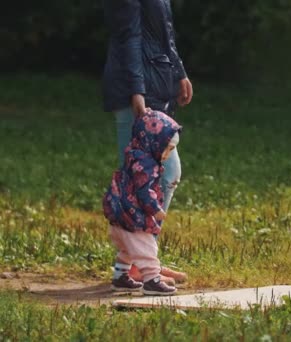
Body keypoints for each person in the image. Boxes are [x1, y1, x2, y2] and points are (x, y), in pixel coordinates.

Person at [102, 0, 193, 284]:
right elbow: (128, 36)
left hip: (154, 83)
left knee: (153, 179)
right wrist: (136, 90)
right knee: (157, 176)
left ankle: (134, 263)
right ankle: (139, 262)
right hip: (136, 91)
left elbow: (162, 32)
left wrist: (178, 72)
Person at [103, 111, 181, 295]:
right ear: (154, 141)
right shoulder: (146, 164)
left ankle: (120, 277)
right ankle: (152, 280)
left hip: (120, 216)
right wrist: (155, 209)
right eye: (167, 148)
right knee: (146, 248)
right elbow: (144, 190)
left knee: (128, 249)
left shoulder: (134, 154)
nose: (168, 154)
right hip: (133, 217)